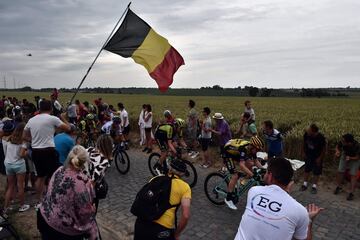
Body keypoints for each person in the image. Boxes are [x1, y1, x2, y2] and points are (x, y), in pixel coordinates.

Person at [234, 157, 323, 240]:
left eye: (266, 172)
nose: (264, 174)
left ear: (270, 176)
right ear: (289, 182)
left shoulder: (254, 192)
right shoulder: (300, 211)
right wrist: (309, 220)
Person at [37, 145, 98, 240]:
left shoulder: (59, 170)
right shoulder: (82, 183)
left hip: (45, 217)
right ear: (84, 163)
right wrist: (92, 210)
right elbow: (84, 213)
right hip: (62, 229)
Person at [22, 100, 70, 206]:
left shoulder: (31, 120)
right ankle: (54, 198)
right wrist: (62, 117)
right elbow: (68, 128)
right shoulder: (53, 118)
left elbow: (24, 136)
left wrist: (33, 140)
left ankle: (38, 201)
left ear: (39, 108)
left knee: (41, 177)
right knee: (54, 175)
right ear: (51, 108)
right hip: (49, 151)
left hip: (36, 152)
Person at [134, 159, 191, 240]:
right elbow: (185, 215)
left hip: (142, 223)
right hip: (162, 229)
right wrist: (177, 234)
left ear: (169, 168)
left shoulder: (156, 178)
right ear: (182, 174)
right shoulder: (185, 187)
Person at [223, 136, 265, 210]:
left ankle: (243, 180)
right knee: (235, 176)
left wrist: (264, 170)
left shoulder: (252, 148)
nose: (257, 151)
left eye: (258, 150)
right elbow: (241, 165)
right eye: (257, 150)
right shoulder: (244, 149)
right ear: (252, 146)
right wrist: (251, 174)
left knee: (250, 164)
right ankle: (228, 199)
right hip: (227, 153)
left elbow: (255, 161)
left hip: (235, 152)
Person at [2, 122, 30, 213]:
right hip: (18, 165)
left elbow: (6, 152)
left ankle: (6, 207)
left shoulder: (9, 138)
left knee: (10, 186)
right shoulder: (23, 141)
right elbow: (21, 154)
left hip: (8, 164)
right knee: (20, 186)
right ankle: (22, 205)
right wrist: (27, 152)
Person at [84, 135, 113, 211]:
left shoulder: (89, 149)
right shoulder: (104, 161)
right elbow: (93, 181)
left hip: (78, 184)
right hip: (87, 191)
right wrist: (91, 201)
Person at [300, 124, 326, 194]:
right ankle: (304, 184)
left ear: (313, 131)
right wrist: (303, 152)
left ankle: (314, 186)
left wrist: (320, 158)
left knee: (316, 171)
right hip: (308, 154)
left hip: (317, 156)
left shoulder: (321, 137)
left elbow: (324, 149)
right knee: (307, 169)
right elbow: (303, 142)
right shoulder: (306, 134)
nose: (307, 131)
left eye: (309, 130)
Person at [334, 133, 360, 201]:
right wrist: (337, 151)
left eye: (344, 141)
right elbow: (337, 146)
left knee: (353, 174)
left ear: (349, 143)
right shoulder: (343, 142)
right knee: (340, 171)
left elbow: (357, 157)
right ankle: (339, 187)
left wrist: (350, 158)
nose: (342, 142)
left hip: (354, 158)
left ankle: (351, 193)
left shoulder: (357, 146)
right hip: (345, 155)